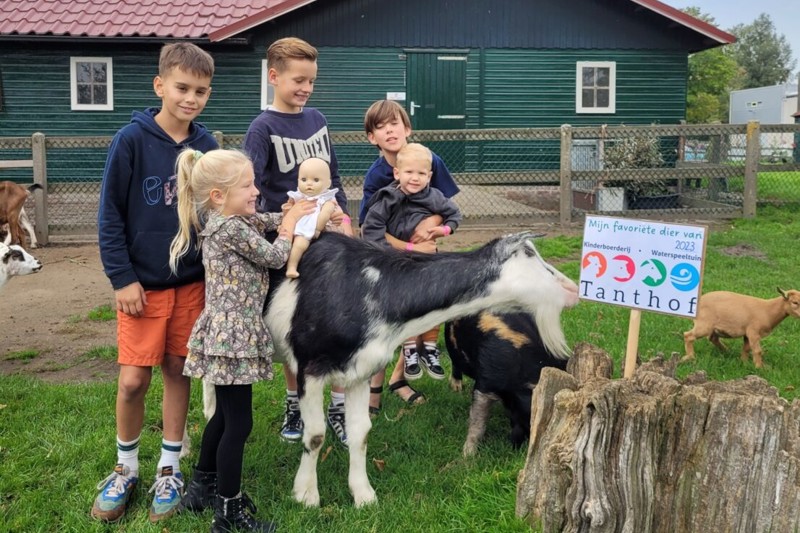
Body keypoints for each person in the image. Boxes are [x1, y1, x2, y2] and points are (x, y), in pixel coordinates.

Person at [93, 42, 217, 523]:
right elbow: (110, 216)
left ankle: (169, 467)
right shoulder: (130, 140)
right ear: (160, 85)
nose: (191, 98)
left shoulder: (207, 147)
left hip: (191, 285)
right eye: (182, 88)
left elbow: (219, 212)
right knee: (132, 380)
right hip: (141, 289)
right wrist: (122, 277)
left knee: (178, 369)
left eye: (201, 91)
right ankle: (125, 467)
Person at [169, 148, 314, 532]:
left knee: (223, 416)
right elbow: (275, 256)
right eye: (247, 186)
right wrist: (290, 226)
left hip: (226, 333)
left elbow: (263, 219)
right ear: (219, 195)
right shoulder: (230, 229)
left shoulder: (231, 220)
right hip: (233, 336)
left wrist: (290, 212)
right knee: (239, 425)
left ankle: (201, 488)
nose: (256, 191)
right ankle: (228, 513)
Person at [242, 36, 353, 447]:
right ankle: (294, 403)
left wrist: (344, 218)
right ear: (274, 76)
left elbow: (334, 176)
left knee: (339, 321)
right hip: (289, 243)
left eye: (311, 81)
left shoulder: (317, 120)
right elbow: (251, 185)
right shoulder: (262, 128)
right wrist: (277, 227)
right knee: (297, 328)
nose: (306, 88)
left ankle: (338, 407)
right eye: (298, 80)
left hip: (330, 242)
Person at [359, 100, 460, 413]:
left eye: (395, 123)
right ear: (372, 137)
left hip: (425, 251)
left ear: (407, 128)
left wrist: (432, 226)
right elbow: (369, 227)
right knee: (385, 321)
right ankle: (373, 391)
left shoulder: (429, 159)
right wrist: (409, 247)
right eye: (381, 127)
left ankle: (399, 377)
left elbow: (445, 206)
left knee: (419, 313)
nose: (390, 131)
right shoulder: (377, 177)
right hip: (390, 255)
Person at [285, 157, 338, 278]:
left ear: (328, 183)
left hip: (318, 228)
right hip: (301, 226)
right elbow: (288, 210)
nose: (309, 183)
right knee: (298, 244)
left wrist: (318, 228)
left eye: (316, 180)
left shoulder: (327, 199)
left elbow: (325, 215)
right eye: (304, 179)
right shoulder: (298, 196)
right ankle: (291, 267)